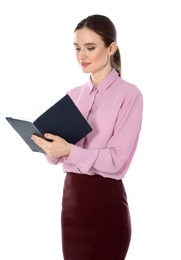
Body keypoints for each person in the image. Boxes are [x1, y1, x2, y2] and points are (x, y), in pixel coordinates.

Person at [31, 14, 143, 260]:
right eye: (77, 48)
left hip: (105, 203)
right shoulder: (74, 94)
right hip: (72, 202)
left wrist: (69, 151)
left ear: (111, 48)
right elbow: (59, 158)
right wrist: (50, 149)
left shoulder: (129, 95)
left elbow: (117, 160)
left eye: (90, 48)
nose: (82, 55)